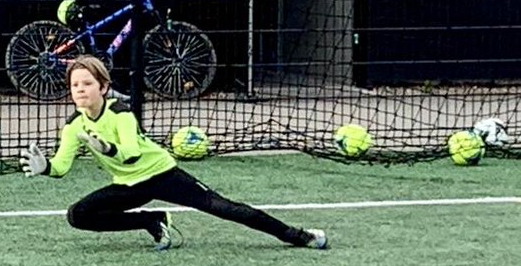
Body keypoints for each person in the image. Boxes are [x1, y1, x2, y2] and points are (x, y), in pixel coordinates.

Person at [20, 55, 328, 251]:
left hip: (162, 174)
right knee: (78, 215)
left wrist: (106, 147)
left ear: (103, 87)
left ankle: (297, 235)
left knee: (225, 208)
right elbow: (61, 167)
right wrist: (44, 166)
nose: (80, 89)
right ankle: (152, 221)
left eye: (87, 83)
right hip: (128, 185)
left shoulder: (121, 113)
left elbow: (128, 153)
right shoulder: (74, 125)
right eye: (75, 84)